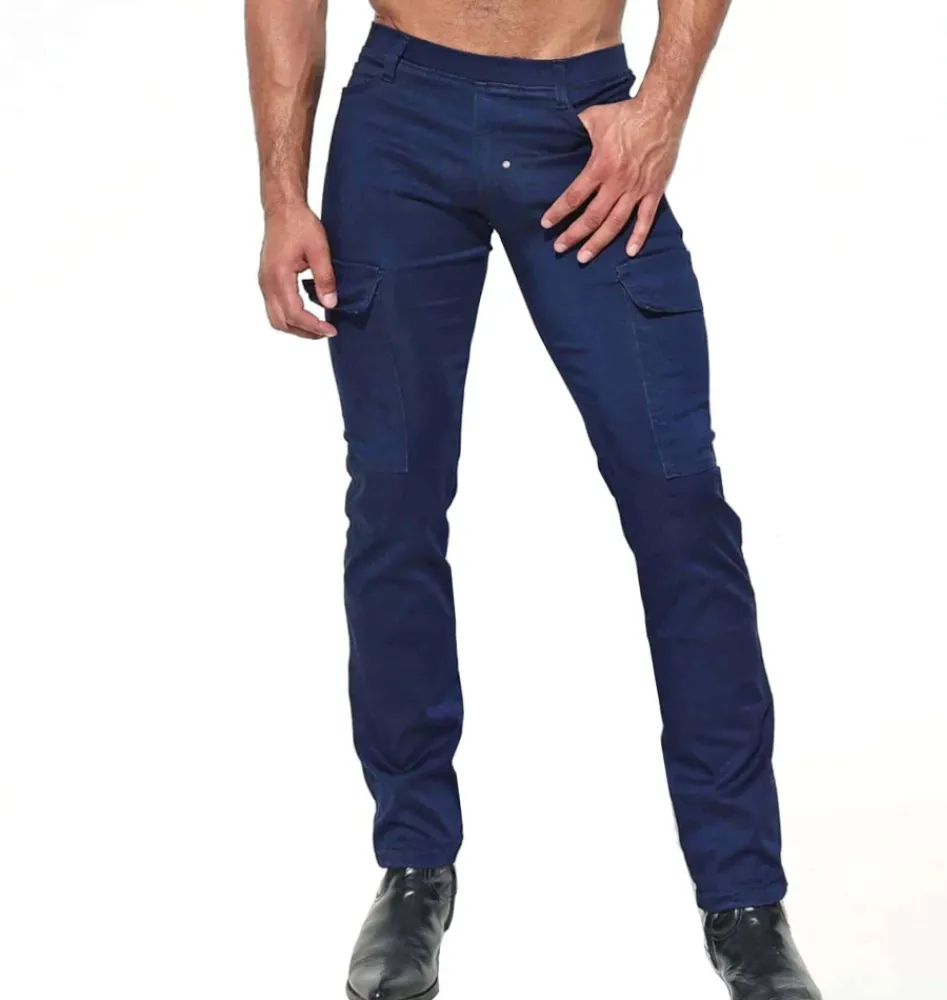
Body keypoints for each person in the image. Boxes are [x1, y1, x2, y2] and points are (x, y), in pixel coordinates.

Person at [245, 1, 822, 997]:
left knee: (680, 511)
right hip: (399, 123)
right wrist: (281, 196)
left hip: (577, 121)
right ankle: (413, 868)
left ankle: (745, 904)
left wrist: (661, 108)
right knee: (393, 505)